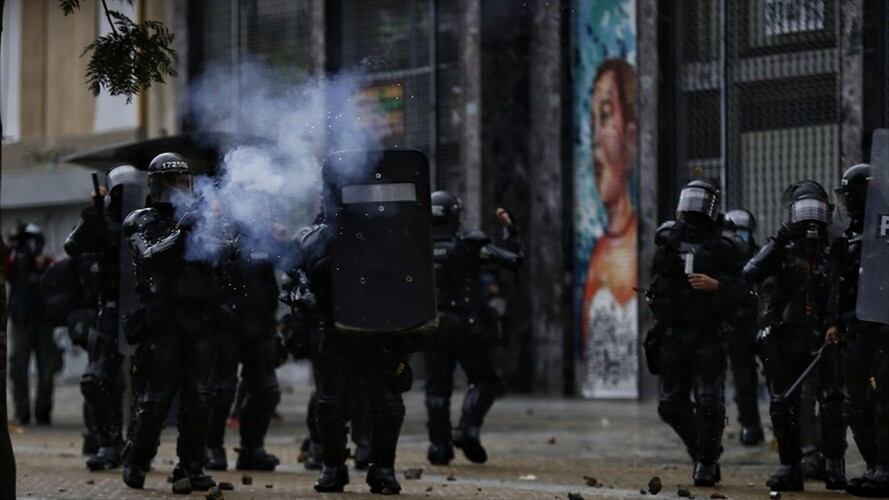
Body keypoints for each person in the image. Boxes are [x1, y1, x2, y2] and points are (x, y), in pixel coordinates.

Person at [121, 152, 225, 492]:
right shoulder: (141, 219)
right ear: (156, 184)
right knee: (156, 401)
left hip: (201, 320)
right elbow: (151, 255)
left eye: (183, 181)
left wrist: (226, 227)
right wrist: (184, 229)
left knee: (201, 398)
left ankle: (191, 467)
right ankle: (137, 461)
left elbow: (227, 253)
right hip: (163, 321)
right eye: (171, 182)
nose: (178, 188)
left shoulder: (201, 218)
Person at [742, 181, 846, 491]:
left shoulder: (836, 247)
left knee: (832, 403)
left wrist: (838, 324)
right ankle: (791, 466)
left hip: (827, 336)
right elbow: (750, 272)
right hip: (789, 336)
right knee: (781, 403)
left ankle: (833, 465)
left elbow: (848, 289)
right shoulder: (783, 248)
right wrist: (781, 239)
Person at [645, 178, 748, 487]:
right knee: (670, 406)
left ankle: (706, 461)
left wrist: (718, 286)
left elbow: (748, 291)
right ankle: (701, 449)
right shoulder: (668, 239)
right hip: (675, 331)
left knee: (708, 401)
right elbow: (659, 281)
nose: (693, 209)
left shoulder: (726, 245)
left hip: (708, 333)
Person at [424, 191, 523, 466]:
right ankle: (467, 428)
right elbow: (513, 259)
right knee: (484, 380)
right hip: (465, 326)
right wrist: (510, 230)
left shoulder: (416, 245)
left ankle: (439, 447)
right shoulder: (468, 244)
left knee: (436, 388)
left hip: (431, 326)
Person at [64, 165, 143, 471]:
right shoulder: (100, 220)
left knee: (150, 389)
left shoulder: (147, 219)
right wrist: (93, 216)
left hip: (144, 311)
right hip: (109, 310)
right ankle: (110, 443)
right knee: (95, 381)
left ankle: (138, 448)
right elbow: (72, 247)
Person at [826, 164, 889, 497]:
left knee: (884, 401)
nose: (847, 201)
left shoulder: (884, 230)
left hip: (883, 328)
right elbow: (838, 285)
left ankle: (886, 468)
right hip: (855, 329)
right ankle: (873, 466)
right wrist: (833, 322)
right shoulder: (848, 235)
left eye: (851, 194)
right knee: (855, 404)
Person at [204, 220, 284, 472]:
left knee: (266, 390)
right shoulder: (215, 234)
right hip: (225, 325)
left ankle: (252, 449)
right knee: (221, 390)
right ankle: (211, 447)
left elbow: (272, 278)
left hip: (259, 323)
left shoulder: (262, 236)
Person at [581, 59, 638, 397]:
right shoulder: (598, 254)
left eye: (605, 116)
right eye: (592, 122)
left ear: (632, 135)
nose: (596, 139)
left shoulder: (641, 241)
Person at [6, 223, 60, 426]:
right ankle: (22, 412)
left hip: (44, 321)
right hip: (21, 320)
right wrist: (12, 243)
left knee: (47, 368)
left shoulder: (48, 264)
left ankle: (43, 411)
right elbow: (6, 265)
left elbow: (59, 277)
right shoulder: (14, 261)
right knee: (17, 367)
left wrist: (43, 263)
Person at [723, 209, 765, 446]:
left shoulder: (761, 256)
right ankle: (750, 425)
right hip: (738, 325)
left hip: (760, 322)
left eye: (743, 232)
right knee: (744, 378)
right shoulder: (724, 258)